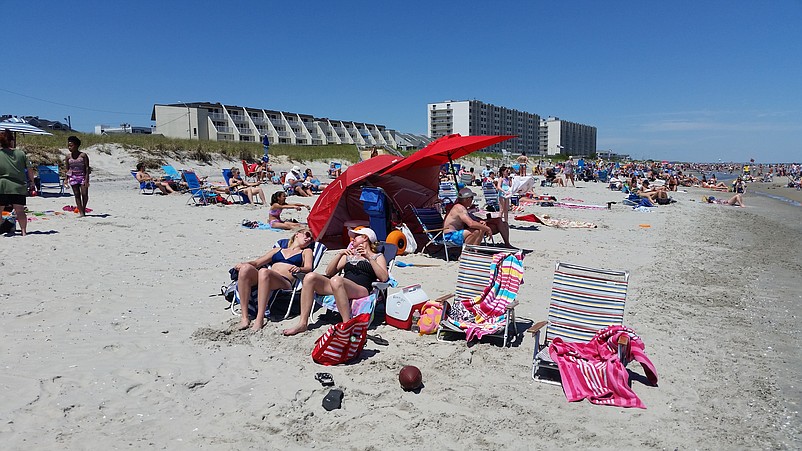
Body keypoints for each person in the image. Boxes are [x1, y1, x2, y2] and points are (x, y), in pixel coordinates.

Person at [283, 227, 388, 336]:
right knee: (310, 277)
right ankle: (303, 323)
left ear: (365, 238)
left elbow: (384, 277)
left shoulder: (377, 257)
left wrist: (369, 258)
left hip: (361, 290)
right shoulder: (349, 255)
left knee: (337, 280)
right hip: (340, 286)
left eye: (356, 237)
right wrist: (340, 255)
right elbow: (329, 272)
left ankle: (346, 324)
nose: (352, 239)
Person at [233, 228, 314, 330]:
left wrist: (300, 268)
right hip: (266, 278)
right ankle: (244, 317)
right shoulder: (278, 250)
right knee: (245, 269)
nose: (308, 238)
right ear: (297, 234)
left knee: (264, 271)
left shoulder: (306, 251)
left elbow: (308, 268)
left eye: (311, 239)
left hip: (284, 282)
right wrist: (244, 264)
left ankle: (260, 318)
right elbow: (257, 263)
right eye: (307, 234)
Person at [443, 188, 511, 247]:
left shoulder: (460, 207)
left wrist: (481, 223)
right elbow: (471, 224)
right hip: (449, 236)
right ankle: (467, 252)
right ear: (467, 199)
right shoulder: (459, 208)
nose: (472, 201)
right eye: (472, 198)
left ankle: (474, 251)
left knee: (481, 228)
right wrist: (487, 228)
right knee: (477, 231)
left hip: (454, 234)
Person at [0, 129, 35, 236]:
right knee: (20, 211)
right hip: (18, 186)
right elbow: (29, 169)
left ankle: (4, 224)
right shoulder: (21, 154)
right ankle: (23, 232)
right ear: (12, 141)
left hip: (2, 185)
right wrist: (32, 182)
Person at [65, 136, 90, 216]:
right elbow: (67, 169)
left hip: (82, 176)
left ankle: (83, 208)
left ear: (76, 146)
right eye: (68, 146)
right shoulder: (68, 157)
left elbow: (87, 168)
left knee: (84, 194)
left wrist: (87, 180)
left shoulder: (83, 155)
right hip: (73, 177)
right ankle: (81, 212)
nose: (69, 147)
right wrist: (66, 179)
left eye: (71, 146)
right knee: (77, 194)